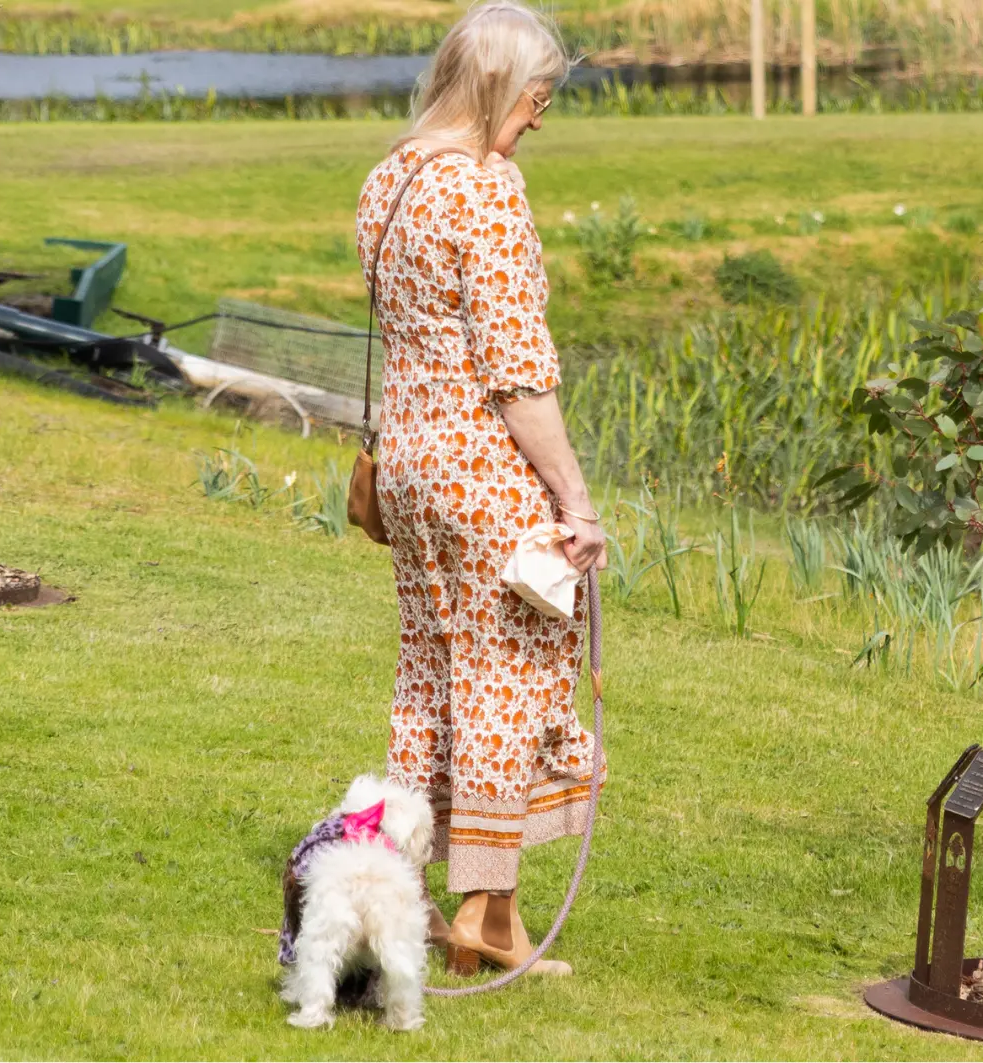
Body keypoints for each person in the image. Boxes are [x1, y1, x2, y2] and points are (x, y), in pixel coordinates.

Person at [354, 0, 605, 978]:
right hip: (484, 475)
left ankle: (409, 902)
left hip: (410, 469)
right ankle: (479, 916)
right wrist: (576, 502)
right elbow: (516, 372)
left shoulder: (391, 179)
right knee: (505, 684)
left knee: (429, 678)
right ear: (501, 89)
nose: (540, 116)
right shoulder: (487, 189)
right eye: (538, 95)